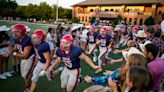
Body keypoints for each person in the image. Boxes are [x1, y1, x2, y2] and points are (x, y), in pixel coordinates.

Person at [11, 24, 35, 91]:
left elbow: (25, 55)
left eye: (16, 31)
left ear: (22, 31)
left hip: (30, 58)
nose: (14, 33)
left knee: (26, 75)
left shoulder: (27, 39)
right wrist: (10, 50)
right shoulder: (17, 39)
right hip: (23, 58)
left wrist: (14, 53)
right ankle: (30, 84)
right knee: (23, 75)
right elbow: (16, 48)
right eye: (14, 31)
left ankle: (29, 88)